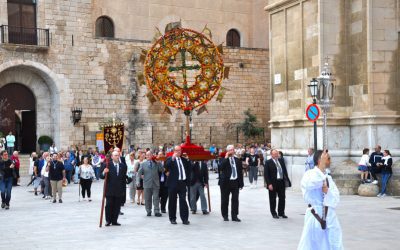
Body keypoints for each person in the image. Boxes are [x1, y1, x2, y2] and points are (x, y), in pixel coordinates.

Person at [298, 150, 343, 250]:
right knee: (313, 245)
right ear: (320, 160)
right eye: (328, 159)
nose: (330, 161)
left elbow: (336, 198)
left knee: (334, 243)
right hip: (314, 216)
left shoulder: (328, 178)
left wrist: (328, 191)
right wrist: (321, 168)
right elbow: (311, 184)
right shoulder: (309, 174)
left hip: (330, 217)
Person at [165, 146, 191, 225]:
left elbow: (189, 168)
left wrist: (188, 159)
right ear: (174, 151)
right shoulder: (170, 159)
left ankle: (185, 219)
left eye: (180, 150)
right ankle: (172, 218)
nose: (178, 152)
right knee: (172, 201)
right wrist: (173, 158)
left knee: (183, 201)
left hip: (182, 183)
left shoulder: (183, 159)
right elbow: (166, 166)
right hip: (173, 183)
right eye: (177, 150)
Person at [100, 151, 127, 226]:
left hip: (119, 189)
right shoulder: (107, 165)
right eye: (115, 155)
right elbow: (101, 176)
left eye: (118, 155)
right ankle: (108, 220)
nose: (117, 157)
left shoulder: (123, 166)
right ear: (112, 157)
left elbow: (123, 178)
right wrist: (104, 172)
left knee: (117, 206)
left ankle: (115, 220)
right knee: (109, 205)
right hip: (109, 189)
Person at [219, 145, 244, 222]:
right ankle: (225, 215)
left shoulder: (237, 160)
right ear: (227, 151)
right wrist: (226, 158)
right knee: (224, 200)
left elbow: (240, 172)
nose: (231, 151)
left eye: (232, 149)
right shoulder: (223, 159)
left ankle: (234, 216)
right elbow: (220, 168)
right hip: (225, 183)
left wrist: (241, 183)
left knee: (235, 200)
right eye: (230, 150)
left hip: (235, 182)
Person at [264, 149, 291, 219]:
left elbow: (284, 171)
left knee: (282, 198)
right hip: (273, 183)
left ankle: (281, 212)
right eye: (275, 154)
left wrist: (286, 180)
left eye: (277, 154)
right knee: (272, 198)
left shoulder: (281, 161)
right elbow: (266, 175)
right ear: (271, 155)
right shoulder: (268, 162)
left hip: (281, 182)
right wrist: (269, 184)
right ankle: (274, 213)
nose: (276, 155)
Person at [137, 151, 164, 217]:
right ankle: (148, 210)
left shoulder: (156, 163)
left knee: (156, 198)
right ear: (145, 156)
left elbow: (162, 170)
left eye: (150, 155)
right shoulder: (143, 164)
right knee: (148, 198)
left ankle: (156, 211)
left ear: (152, 155)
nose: (148, 156)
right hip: (147, 184)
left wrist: (159, 163)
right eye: (147, 155)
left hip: (155, 184)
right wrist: (137, 181)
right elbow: (139, 173)